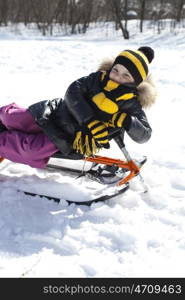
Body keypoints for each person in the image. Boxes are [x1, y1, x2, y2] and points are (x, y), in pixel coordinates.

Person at [0, 46, 157, 169]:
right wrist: (89, 120)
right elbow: (73, 91)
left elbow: (145, 134)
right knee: (12, 117)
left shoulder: (131, 104)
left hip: (70, 138)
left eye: (126, 75)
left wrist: (128, 121)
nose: (117, 77)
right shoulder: (97, 79)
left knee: (31, 149)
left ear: (135, 82)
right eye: (115, 70)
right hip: (55, 113)